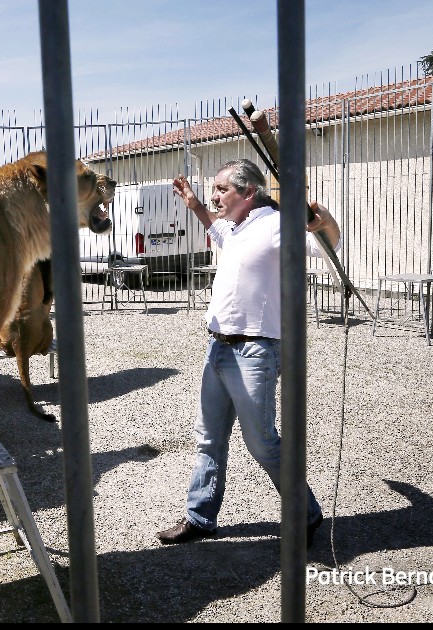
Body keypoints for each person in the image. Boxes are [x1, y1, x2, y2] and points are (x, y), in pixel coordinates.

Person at [156, 158, 341, 548]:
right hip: (218, 348)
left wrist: (325, 221)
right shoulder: (235, 227)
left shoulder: (275, 225)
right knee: (208, 439)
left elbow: (325, 248)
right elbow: (215, 227)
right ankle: (200, 518)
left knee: (262, 443)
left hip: (255, 351)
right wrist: (195, 205)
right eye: (215, 189)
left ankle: (306, 514)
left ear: (248, 192)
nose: (215, 195)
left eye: (222, 189)